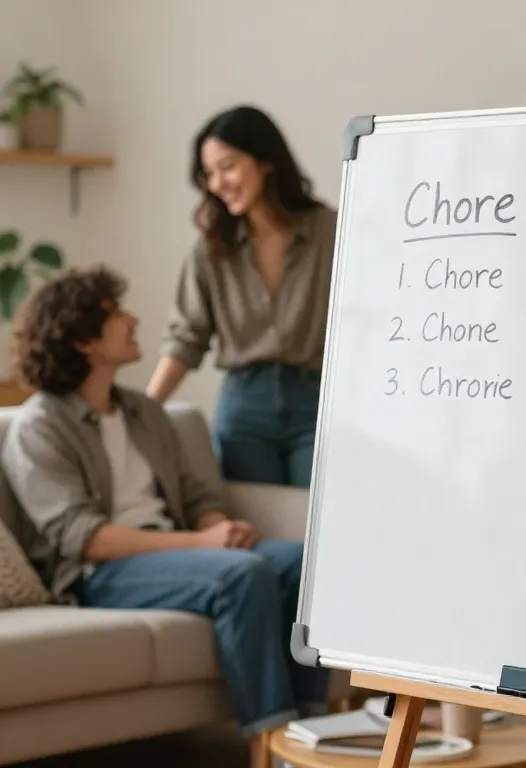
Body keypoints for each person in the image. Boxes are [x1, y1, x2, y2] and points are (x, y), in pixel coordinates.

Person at [1, 265, 330, 768]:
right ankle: (267, 749)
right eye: (115, 313)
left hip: (172, 550)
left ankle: (310, 736)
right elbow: (84, 539)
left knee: (303, 564)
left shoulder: (144, 412)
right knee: (241, 575)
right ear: (84, 339)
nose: (132, 320)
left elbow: (196, 495)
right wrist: (203, 544)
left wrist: (219, 525)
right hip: (99, 572)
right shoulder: (39, 426)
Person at [146, 104, 337, 488]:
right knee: (256, 517)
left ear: (265, 161)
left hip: (318, 400)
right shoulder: (211, 250)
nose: (218, 183)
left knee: (316, 517)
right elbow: (185, 339)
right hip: (245, 410)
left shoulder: (329, 232)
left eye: (228, 166)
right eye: (209, 173)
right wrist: (144, 413)